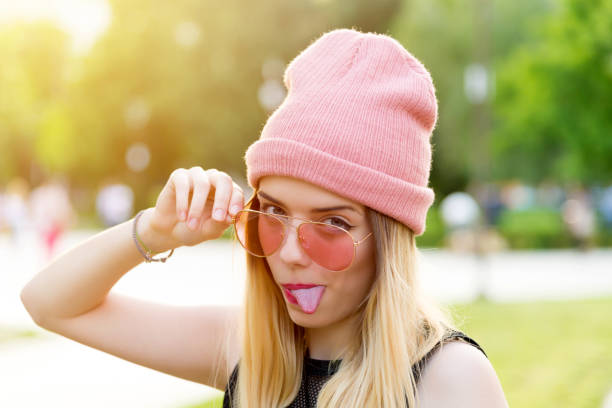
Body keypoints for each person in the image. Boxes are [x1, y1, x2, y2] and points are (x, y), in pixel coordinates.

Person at [20, 28, 509, 407]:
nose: (291, 253)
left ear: (387, 238)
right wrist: (154, 230)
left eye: (333, 224)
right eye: (272, 214)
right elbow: (49, 303)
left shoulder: (449, 378)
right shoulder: (248, 349)